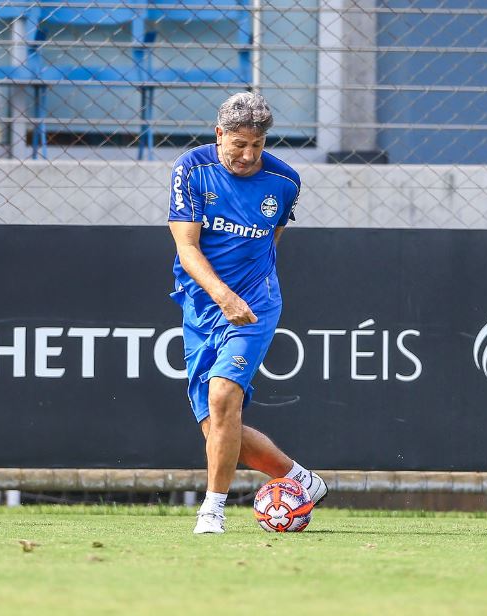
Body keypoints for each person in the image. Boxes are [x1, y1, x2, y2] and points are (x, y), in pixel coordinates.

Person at [168, 92, 326, 535]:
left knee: (223, 397)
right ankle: (299, 480)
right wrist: (221, 296)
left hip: (255, 307)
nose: (247, 154)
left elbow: (268, 243)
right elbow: (186, 246)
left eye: (256, 145)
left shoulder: (285, 181)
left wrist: (246, 295)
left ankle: (211, 511)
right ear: (219, 135)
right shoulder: (191, 170)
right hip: (203, 304)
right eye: (238, 144)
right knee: (218, 429)